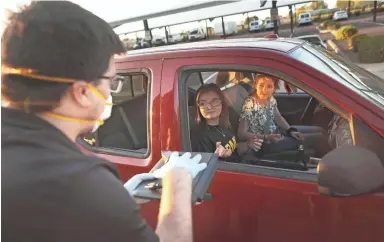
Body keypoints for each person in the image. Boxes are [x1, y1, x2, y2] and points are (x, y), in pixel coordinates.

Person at [2, 2, 206, 242]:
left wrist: (121, 195)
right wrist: (178, 185)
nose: (111, 92)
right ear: (83, 93)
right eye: (111, 81)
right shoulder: (80, 182)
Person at [238, 74, 330, 157]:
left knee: (320, 130)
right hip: (266, 144)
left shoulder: (270, 99)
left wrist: (290, 131)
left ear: (274, 89)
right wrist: (266, 137)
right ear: (255, 85)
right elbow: (241, 134)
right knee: (320, 139)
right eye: (261, 85)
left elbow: (278, 118)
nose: (264, 90)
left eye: (269, 86)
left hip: (277, 133)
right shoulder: (250, 105)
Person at [190, 84, 263, 162]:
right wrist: (218, 157)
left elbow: (233, 149)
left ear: (222, 103)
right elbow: (206, 168)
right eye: (203, 103)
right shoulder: (200, 137)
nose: (209, 107)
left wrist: (248, 145)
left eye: (214, 101)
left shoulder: (225, 123)